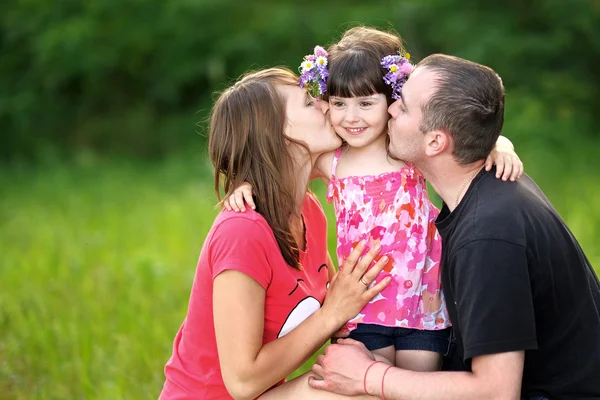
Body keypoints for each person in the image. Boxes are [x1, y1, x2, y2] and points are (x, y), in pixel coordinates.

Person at [223, 27, 523, 372]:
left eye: (366, 103)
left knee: (415, 386)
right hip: (363, 305)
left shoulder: (405, 151)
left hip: (420, 306)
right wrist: (244, 184)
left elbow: (461, 138)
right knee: (366, 385)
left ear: (391, 101)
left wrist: (500, 145)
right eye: (339, 104)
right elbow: (279, 166)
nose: (352, 117)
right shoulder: (332, 160)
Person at [308, 54, 600, 400]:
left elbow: (496, 392)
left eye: (401, 106)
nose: (388, 110)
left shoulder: (487, 236)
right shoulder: (484, 189)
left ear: (435, 143)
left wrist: (369, 376)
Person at [158, 67, 398, 400]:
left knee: (377, 376)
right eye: (309, 102)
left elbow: (414, 148)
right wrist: (333, 313)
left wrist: (492, 146)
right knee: (365, 388)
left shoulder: (309, 212)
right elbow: (242, 383)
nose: (327, 105)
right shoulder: (242, 231)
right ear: (277, 133)